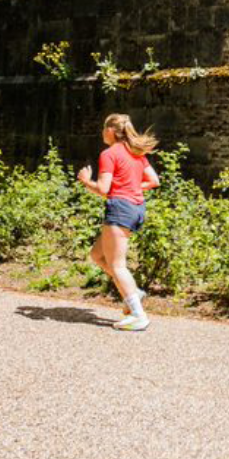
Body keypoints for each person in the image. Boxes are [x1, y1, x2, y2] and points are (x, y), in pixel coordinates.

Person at [77, 113, 161, 332]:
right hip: (136, 209)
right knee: (97, 255)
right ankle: (134, 293)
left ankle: (137, 313)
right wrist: (131, 187)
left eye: (104, 128)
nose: (102, 132)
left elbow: (103, 190)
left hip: (120, 209)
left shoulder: (109, 153)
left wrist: (86, 181)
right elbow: (154, 181)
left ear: (111, 131)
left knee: (117, 264)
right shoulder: (137, 154)